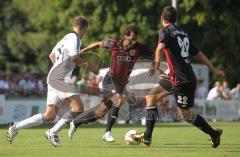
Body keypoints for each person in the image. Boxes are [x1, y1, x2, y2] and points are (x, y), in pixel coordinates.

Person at [133, 6, 225, 148]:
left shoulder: (165, 31)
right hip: (177, 77)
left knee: (186, 116)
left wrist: (156, 66)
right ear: (175, 19)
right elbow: (198, 53)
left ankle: (213, 134)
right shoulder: (183, 33)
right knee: (150, 98)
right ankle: (147, 137)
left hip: (182, 80)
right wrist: (213, 69)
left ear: (161, 19)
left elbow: (159, 48)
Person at [7, 16, 89, 147]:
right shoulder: (75, 38)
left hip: (53, 76)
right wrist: (87, 66)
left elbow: (51, 55)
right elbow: (74, 57)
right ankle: (52, 132)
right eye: (85, 31)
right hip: (61, 77)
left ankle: (16, 126)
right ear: (84, 28)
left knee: (49, 115)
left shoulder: (64, 39)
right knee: (78, 108)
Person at [67, 26, 158, 142]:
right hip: (110, 79)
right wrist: (83, 51)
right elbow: (98, 44)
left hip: (121, 83)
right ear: (125, 36)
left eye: (135, 39)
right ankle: (107, 132)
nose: (133, 41)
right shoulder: (114, 44)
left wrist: (154, 64)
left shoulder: (139, 47)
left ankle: (75, 122)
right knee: (119, 100)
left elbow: (154, 53)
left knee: (99, 113)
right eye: (131, 38)